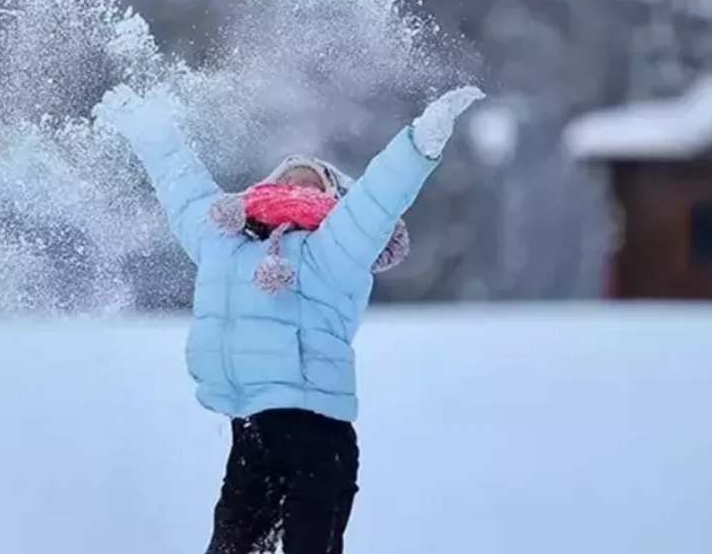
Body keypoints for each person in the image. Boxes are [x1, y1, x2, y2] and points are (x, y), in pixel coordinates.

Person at [95, 80, 485, 554]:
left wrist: (422, 140)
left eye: (314, 180)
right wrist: (149, 129)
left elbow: (379, 197)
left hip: (318, 439)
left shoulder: (336, 246)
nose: (298, 185)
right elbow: (182, 185)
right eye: (288, 178)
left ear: (336, 198)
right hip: (251, 432)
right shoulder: (224, 241)